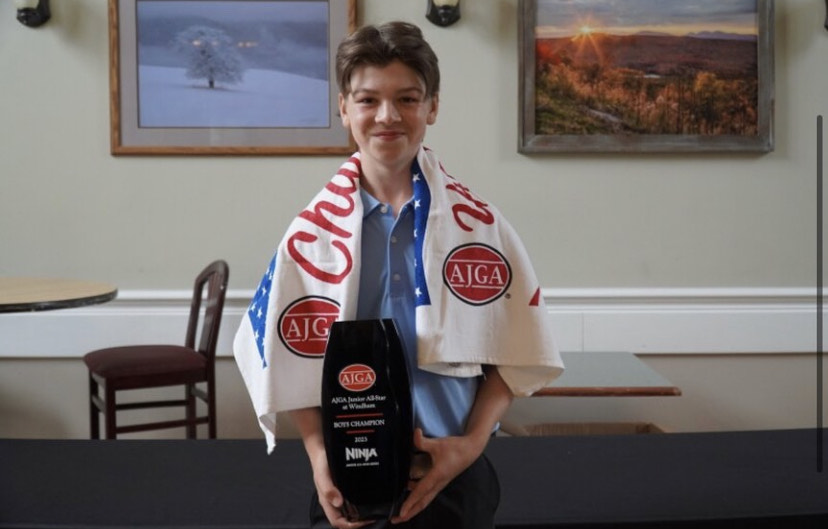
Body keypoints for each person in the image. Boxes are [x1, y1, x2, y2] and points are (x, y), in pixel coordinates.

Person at [234, 21, 563, 529]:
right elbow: (292, 358)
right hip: (347, 478)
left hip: (453, 474)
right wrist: (320, 459)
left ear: (432, 106)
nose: (387, 116)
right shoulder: (309, 238)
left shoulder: (480, 227)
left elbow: (517, 345)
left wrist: (470, 445)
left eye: (407, 99)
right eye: (368, 100)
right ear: (344, 108)